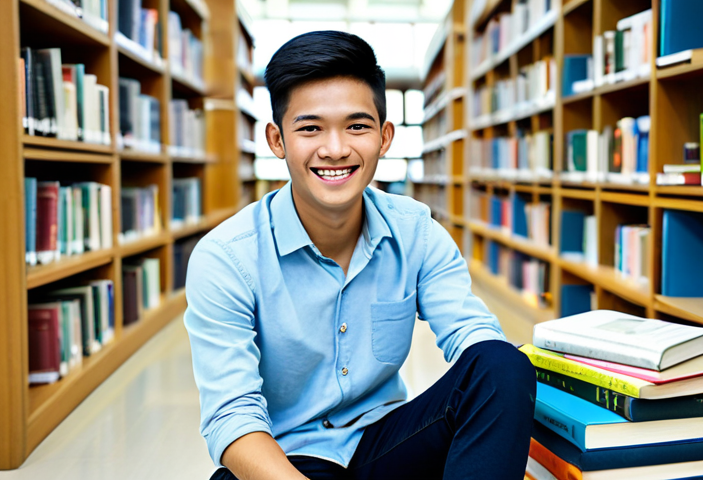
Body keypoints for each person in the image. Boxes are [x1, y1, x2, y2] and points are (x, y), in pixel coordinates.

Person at [184, 30, 536, 480]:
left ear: (384, 136)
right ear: (277, 140)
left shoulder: (416, 232)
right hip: (290, 458)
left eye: (357, 126)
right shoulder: (226, 258)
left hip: (388, 444)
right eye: (310, 128)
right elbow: (232, 416)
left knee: (502, 364)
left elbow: (472, 334)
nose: (336, 149)